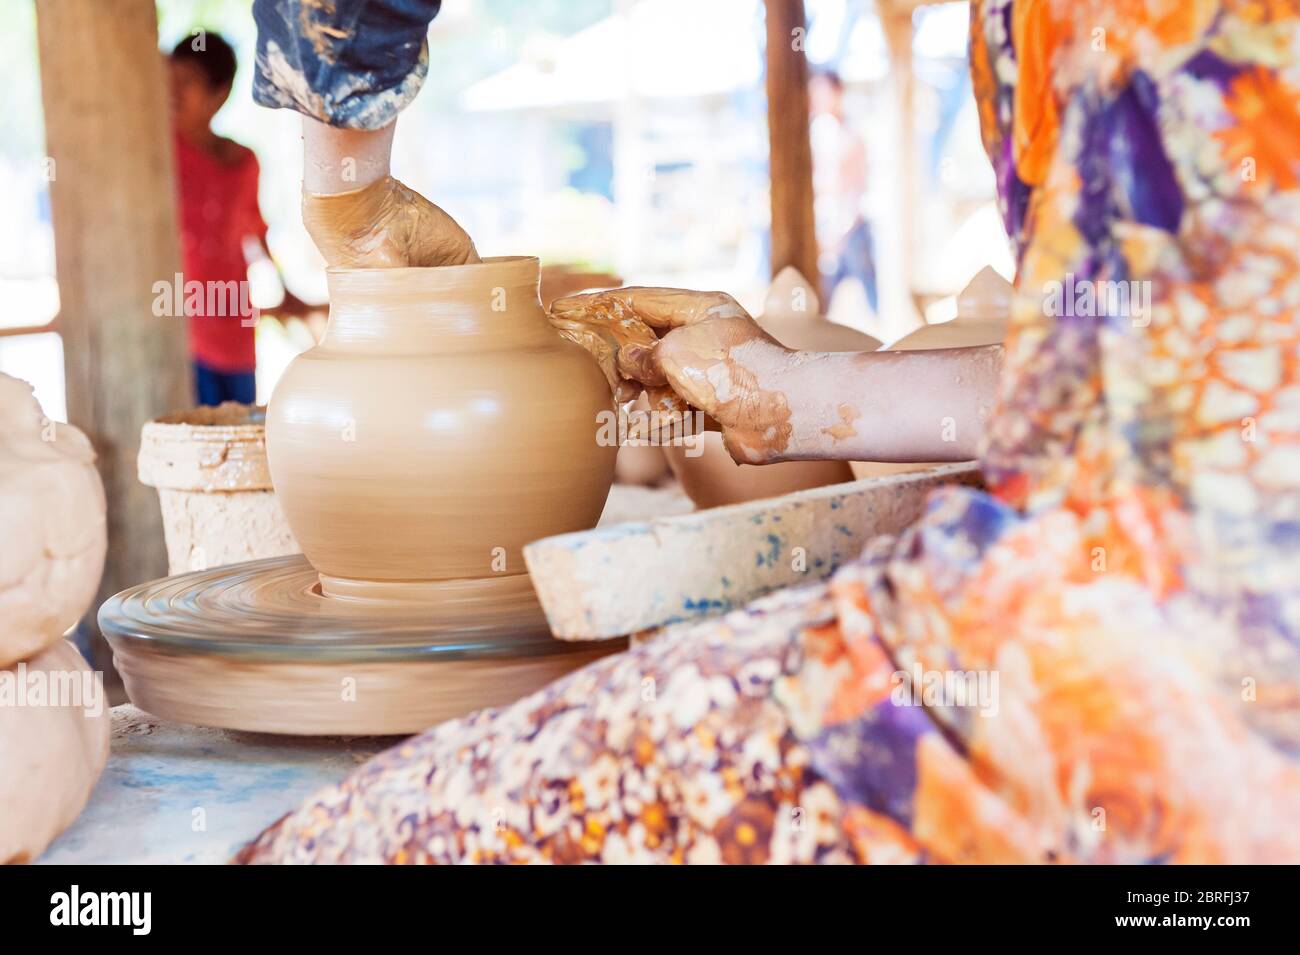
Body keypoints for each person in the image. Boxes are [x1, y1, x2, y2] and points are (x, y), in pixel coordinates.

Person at [238, 0, 1300, 863]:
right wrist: (787, 392)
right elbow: (1164, 380)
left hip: (1149, 695)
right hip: (1163, 638)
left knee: (331, 853)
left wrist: (347, 192)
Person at [170, 32, 312, 406]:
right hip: (180, 328)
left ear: (219, 94)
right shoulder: (159, 157)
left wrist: (284, 287)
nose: (172, 92)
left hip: (234, 323)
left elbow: (255, 232)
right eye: (169, 80)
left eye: (186, 82)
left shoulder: (244, 161)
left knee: (241, 430)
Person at [810, 69, 878, 312]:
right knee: (822, 298)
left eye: (824, 91)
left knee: (869, 293)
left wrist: (842, 228)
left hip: (851, 226)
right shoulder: (817, 132)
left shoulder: (851, 134)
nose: (818, 98)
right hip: (825, 225)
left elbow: (856, 186)